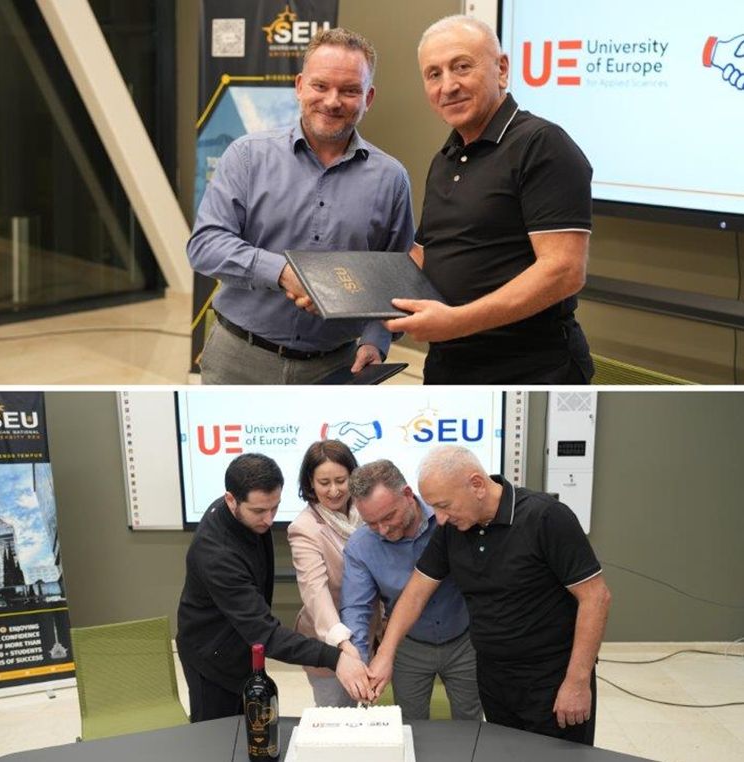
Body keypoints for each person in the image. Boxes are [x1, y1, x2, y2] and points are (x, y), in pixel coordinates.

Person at [188, 27, 414, 384]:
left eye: (350, 90)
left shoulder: (391, 179)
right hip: (238, 359)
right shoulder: (247, 156)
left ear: (368, 97)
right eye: (320, 86)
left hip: (334, 367)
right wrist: (282, 273)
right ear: (299, 86)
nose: (332, 101)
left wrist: (376, 339)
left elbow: (394, 278)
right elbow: (205, 246)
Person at [384, 16, 594, 384]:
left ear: (502, 69)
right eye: (433, 74)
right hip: (449, 364)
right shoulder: (445, 157)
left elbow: (564, 271)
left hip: (529, 371)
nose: (448, 85)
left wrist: (458, 322)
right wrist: (342, 293)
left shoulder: (541, 144)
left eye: (461, 66)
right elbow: (424, 253)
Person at [368, 446, 611, 745]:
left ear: (477, 485)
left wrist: (577, 681)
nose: (440, 519)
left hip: (551, 678)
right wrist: (386, 653)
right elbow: (416, 593)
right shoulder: (452, 530)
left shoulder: (545, 517)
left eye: (444, 505)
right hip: (494, 678)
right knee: (507, 753)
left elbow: (596, 597)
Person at [176, 453, 372, 722]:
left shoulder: (248, 515)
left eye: (275, 507)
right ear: (230, 500)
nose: (269, 520)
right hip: (212, 656)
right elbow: (264, 633)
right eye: (259, 511)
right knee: (217, 736)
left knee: (252, 726)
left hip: (242, 645)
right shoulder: (216, 554)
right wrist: (335, 658)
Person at [340, 459, 481, 721]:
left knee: (470, 720)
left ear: (407, 495)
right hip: (407, 645)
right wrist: (357, 660)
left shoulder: (449, 520)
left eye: (388, 517)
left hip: (464, 639)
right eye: (372, 523)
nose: (383, 529)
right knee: (410, 723)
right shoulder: (361, 546)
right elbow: (356, 608)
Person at [287, 440, 380, 707]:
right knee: (336, 716)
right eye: (324, 482)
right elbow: (315, 591)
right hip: (330, 641)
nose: (334, 490)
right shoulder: (304, 528)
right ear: (310, 483)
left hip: (372, 633)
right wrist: (341, 643)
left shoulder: (370, 513)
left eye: (341, 480)